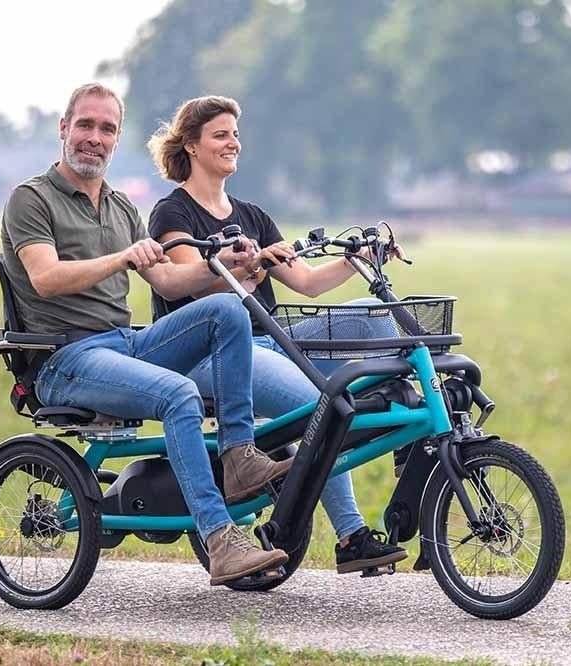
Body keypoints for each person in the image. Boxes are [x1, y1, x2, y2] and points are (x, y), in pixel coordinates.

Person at [0, 83, 293, 586]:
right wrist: (120, 257)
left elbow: (168, 280)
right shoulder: (32, 198)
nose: (95, 137)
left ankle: (240, 457)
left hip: (123, 342)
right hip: (63, 358)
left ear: (116, 140)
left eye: (107, 129)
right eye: (86, 125)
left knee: (226, 309)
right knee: (179, 393)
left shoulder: (120, 207)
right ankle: (220, 540)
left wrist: (220, 265)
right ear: (64, 129)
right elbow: (45, 279)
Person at [146, 96, 408, 574]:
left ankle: (409, 438)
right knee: (323, 407)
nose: (233, 143)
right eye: (221, 134)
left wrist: (359, 258)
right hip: (213, 355)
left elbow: (306, 282)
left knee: (373, 312)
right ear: (192, 145)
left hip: (271, 340)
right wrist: (247, 264)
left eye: (235, 134)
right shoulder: (172, 214)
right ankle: (351, 536)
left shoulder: (252, 213)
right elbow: (186, 283)